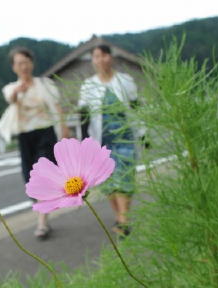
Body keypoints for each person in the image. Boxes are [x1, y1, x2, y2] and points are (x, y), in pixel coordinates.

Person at [1, 46, 69, 239]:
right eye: (19, 63)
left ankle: (42, 223)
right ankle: (44, 210)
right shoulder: (11, 88)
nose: (23, 66)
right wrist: (18, 92)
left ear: (32, 63)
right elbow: (10, 99)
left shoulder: (44, 84)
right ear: (14, 67)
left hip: (45, 134)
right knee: (29, 178)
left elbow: (56, 107)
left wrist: (64, 129)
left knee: (42, 175)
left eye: (26, 62)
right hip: (25, 136)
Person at [79, 44, 138, 237]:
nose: (101, 59)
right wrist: (84, 144)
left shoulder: (125, 80)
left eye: (104, 55)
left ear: (111, 57)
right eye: (96, 56)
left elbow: (136, 106)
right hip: (101, 140)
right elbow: (83, 116)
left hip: (126, 137)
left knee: (125, 178)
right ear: (93, 61)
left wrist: (144, 133)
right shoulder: (88, 86)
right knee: (109, 182)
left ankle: (124, 220)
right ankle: (120, 216)